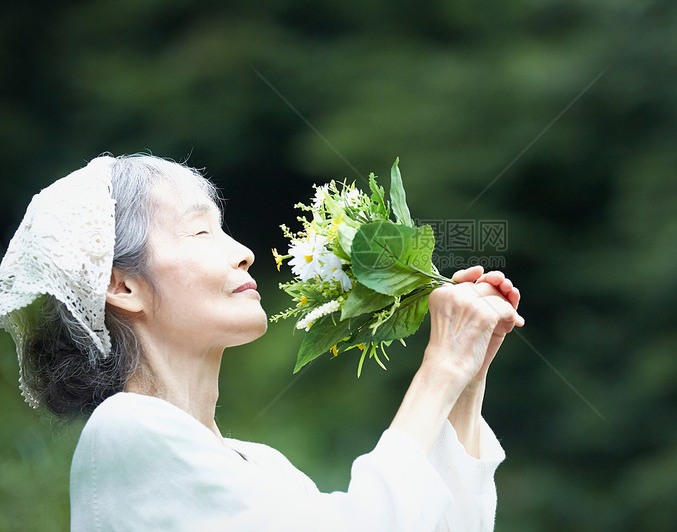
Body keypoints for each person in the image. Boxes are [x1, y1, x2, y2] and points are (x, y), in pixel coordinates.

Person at [0, 154, 524, 531]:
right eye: (200, 233)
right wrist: (440, 366)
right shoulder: (129, 428)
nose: (246, 252)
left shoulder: (261, 465)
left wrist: (467, 374)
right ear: (122, 287)